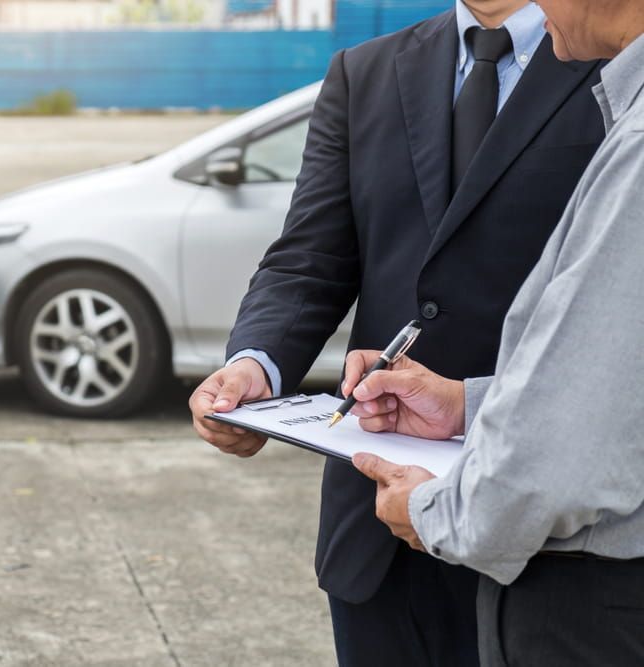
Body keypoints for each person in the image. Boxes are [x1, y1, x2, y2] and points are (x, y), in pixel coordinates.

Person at [188, 0, 607, 664]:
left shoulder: (609, 53)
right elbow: (310, 255)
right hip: (377, 522)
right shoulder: (364, 71)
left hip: (545, 530)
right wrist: (256, 367)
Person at [342, 1, 644, 663]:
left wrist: (438, 511)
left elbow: (569, 439)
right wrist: (466, 406)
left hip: (589, 599)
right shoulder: (364, 67)